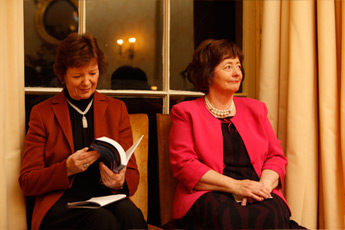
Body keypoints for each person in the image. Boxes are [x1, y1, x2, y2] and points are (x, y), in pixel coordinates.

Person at [169, 39, 304, 229]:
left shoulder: (256, 109)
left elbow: (276, 157)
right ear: (207, 75)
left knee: (273, 214)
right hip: (211, 191)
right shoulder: (185, 112)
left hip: (257, 188)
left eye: (238, 66)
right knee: (229, 217)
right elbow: (185, 165)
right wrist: (237, 186)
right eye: (228, 66)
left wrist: (263, 187)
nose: (237, 73)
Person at [19, 32, 147, 230]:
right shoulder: (42, 113)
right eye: (78, 76)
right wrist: (67, 168)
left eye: (93, 73)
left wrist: (118, 183)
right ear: (62, 76)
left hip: (105, 196)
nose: (87, 82)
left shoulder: (116, 109)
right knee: (102, 221)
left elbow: (132, 173)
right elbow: (28, 181)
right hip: (61, 202)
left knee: (132, 216)